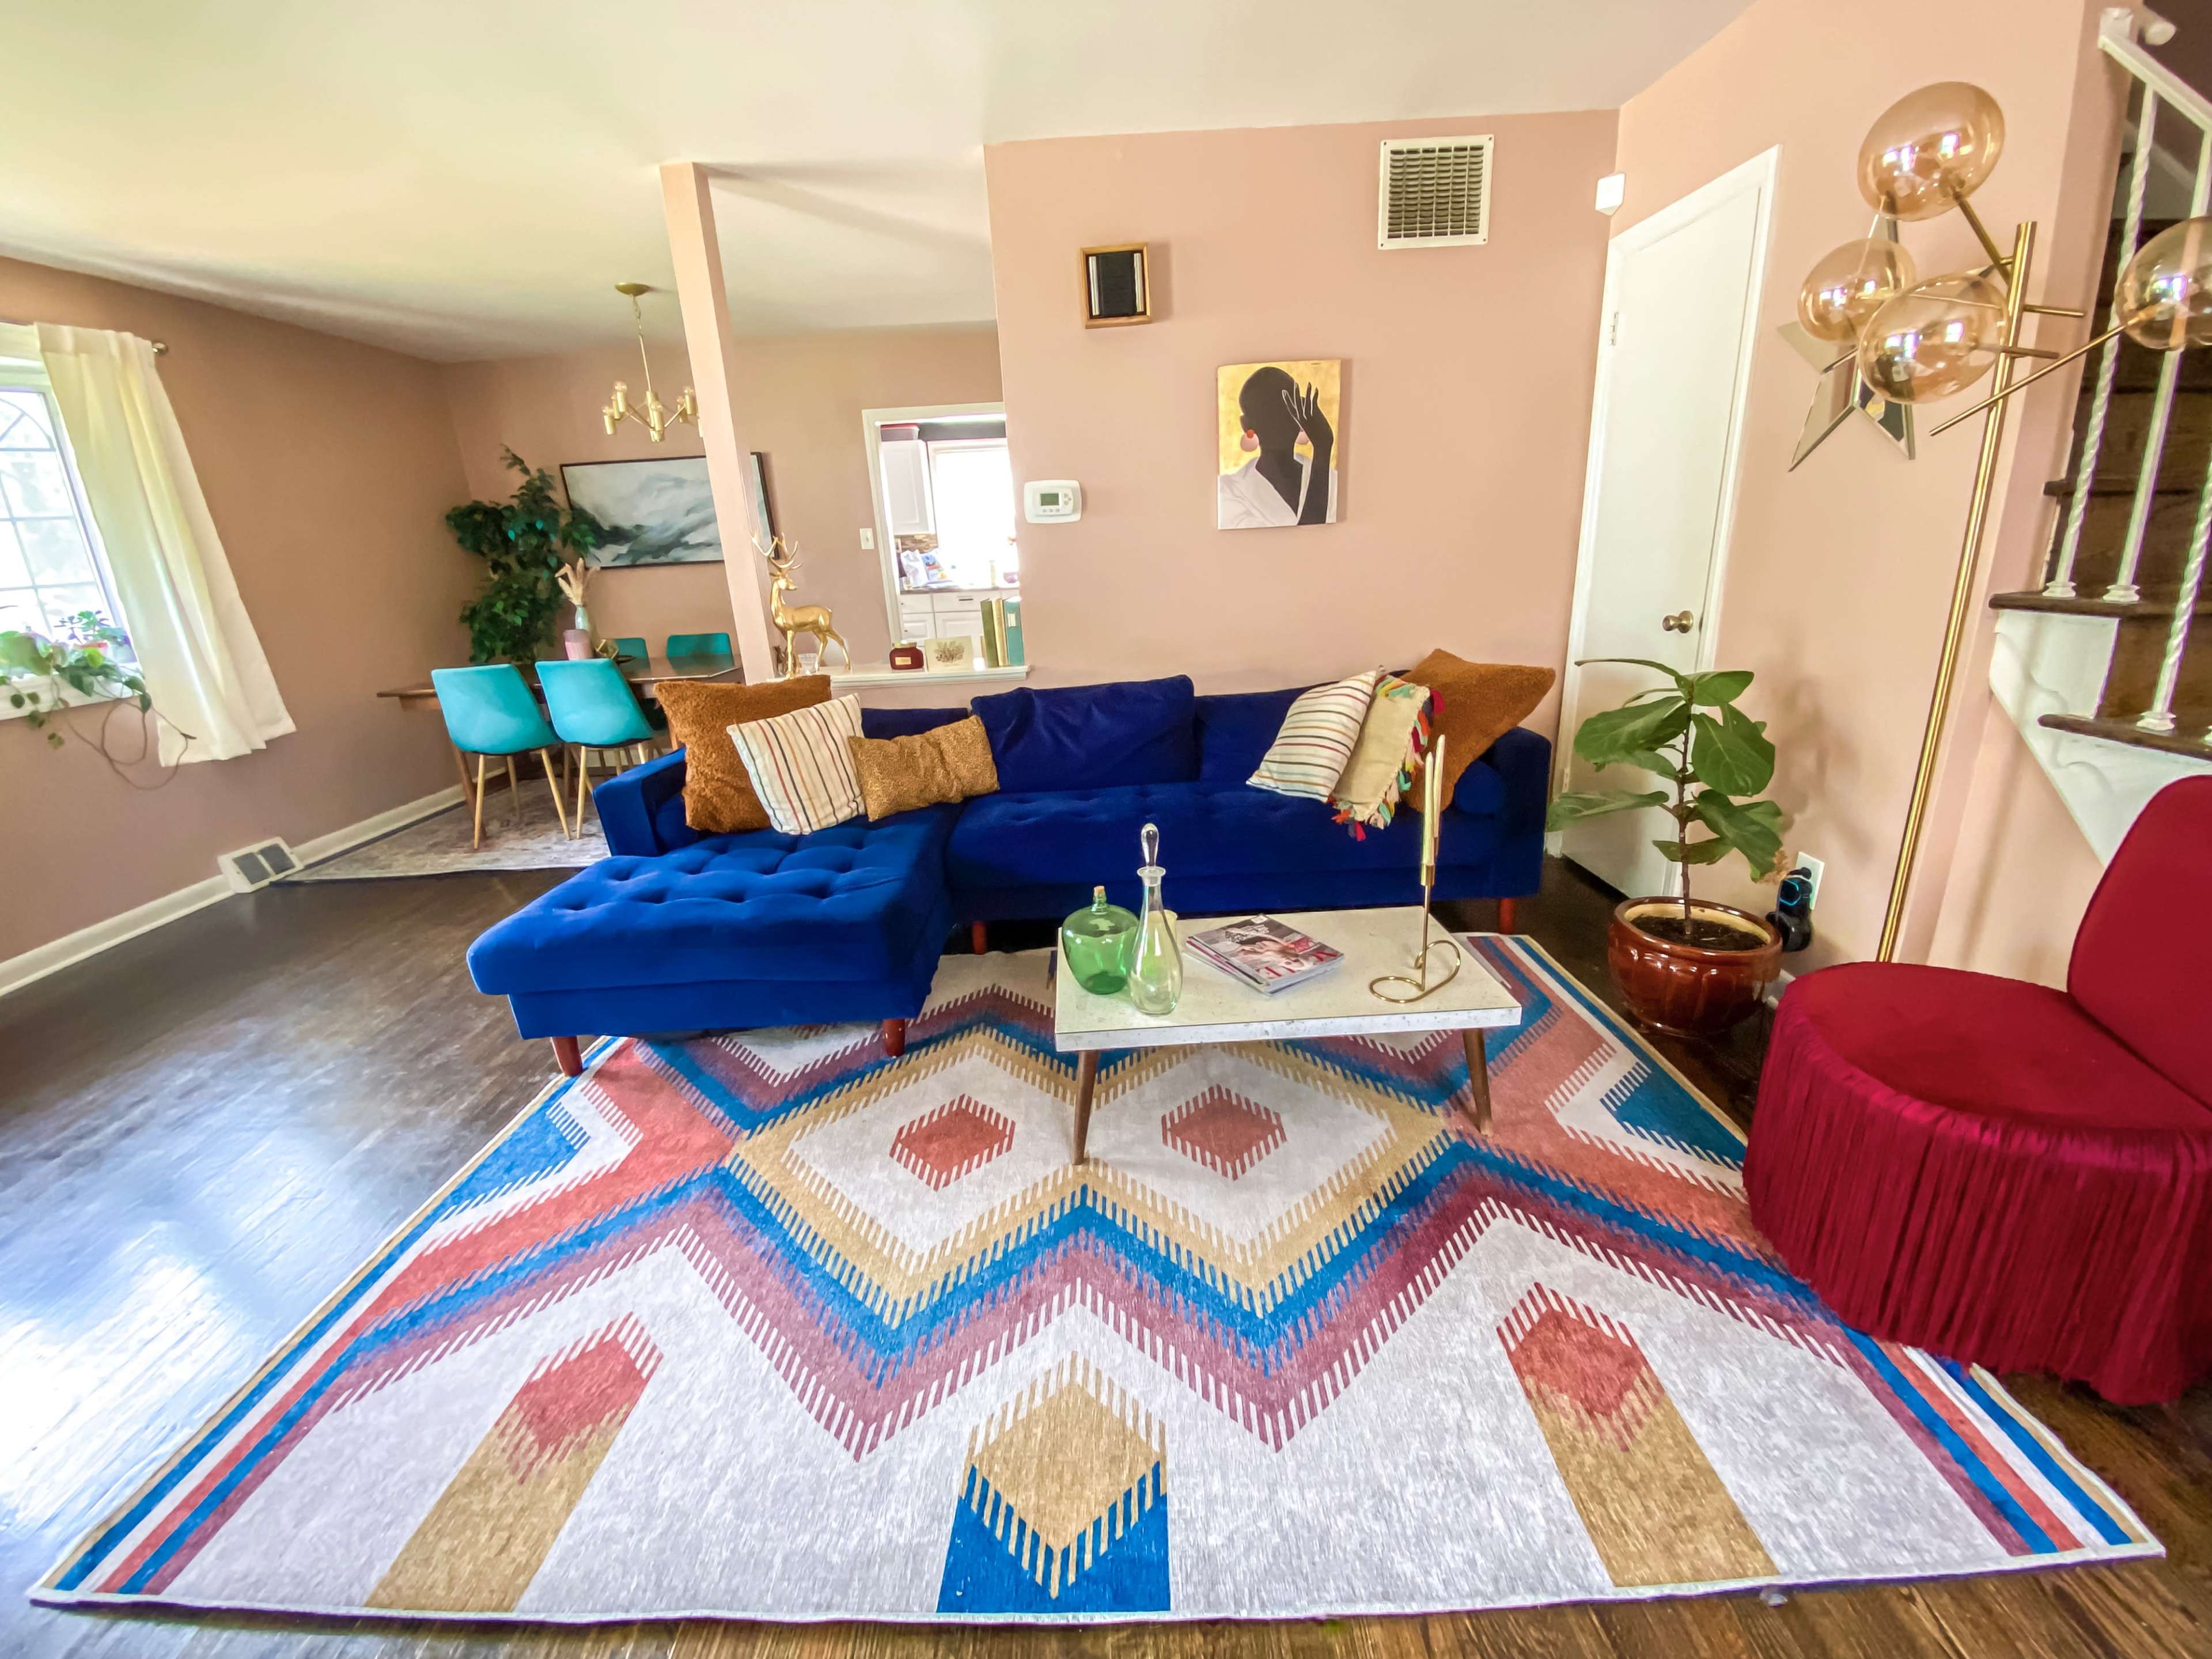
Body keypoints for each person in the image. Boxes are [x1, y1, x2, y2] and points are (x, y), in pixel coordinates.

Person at [1217, 365, 1336, 529]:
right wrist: (1322, 449)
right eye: (1268, 412)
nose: (1281, 421)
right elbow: (1305, 538)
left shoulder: (1333, 480)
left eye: (1289, 409)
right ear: (1247, 425)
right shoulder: (1231, 491)